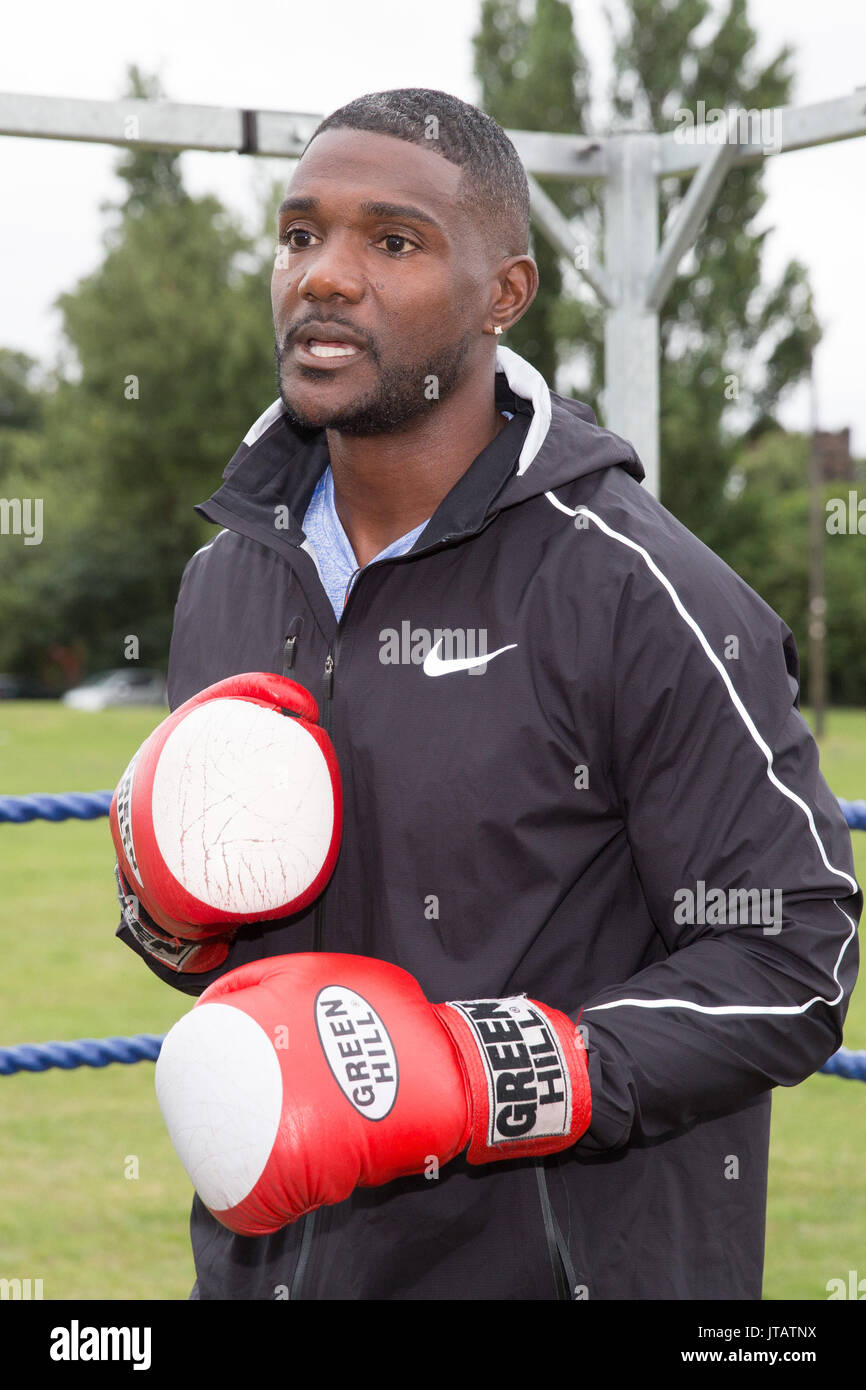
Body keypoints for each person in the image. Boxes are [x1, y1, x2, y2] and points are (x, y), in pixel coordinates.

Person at [116, 87, 861, 1301]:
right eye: (301, 234)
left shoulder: (639, 589)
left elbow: (791, 957)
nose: (325, 277)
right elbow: (235, 961)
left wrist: (493, 1069)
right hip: (269, 1271)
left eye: (391, 241)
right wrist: (174, 918)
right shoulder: (226, 579)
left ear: (501, 294)